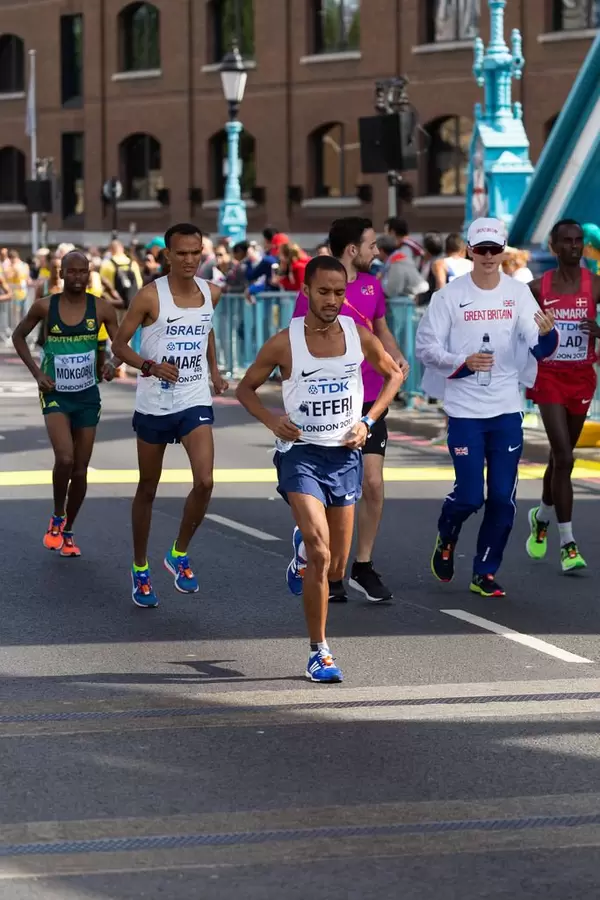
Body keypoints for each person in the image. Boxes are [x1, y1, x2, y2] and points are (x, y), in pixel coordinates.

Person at [236, 256, 403, 682]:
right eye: (324, 291)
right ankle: (319, 651)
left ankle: (302, 553)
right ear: (306, 290)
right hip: (301, 455)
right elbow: (245, 389)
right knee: (320, 550)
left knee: (336, 569)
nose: (332, 300)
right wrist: (273, 421)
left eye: (339, 292)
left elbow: (394, 375)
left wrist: (368, 422)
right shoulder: (285, 343)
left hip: (343, 456)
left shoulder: (357, 335)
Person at [416, 217, 559, 598]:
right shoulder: (448, 296)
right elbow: (425, 348)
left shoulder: (517, 293)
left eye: (496, 249)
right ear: (469, 250)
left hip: (506, 408)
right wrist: (462, 363)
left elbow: (539, 346)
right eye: (482, 249)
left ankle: (485, 571)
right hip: (464, 410)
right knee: (469, 496)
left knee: (501, 497)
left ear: (503, 250)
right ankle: (447, 533)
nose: (489, 256)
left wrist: (548, 334)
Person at [291, 217, 409, 603]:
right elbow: (297, 342)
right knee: (333, 490)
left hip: (370, 399)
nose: (377, 251)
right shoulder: (317, 289)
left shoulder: (373, 285)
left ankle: (363, 564)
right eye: (371, 245)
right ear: (353, 249)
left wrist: (394, 354)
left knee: (372, 482)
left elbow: (380, 327)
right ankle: (327, 562)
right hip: (329, 405)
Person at [111, 223, 229, 609]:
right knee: (148, 487)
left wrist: (214, 371)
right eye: (182, 253)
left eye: (196, 252)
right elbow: (119, 345)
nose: (190, 260)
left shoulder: (211, 292)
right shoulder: (150, 296)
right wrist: (149, 366)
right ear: (168, 255)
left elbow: (205, 330)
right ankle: (140, 567)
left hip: (193, 397)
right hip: (155, 404)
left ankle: (178, 554)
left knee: (205, 481)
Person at [12, 251, 120, 556]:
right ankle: (58, 515)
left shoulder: (102, 308)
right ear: (61, 274)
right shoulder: (45, 306)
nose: (77, 277)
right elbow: (19, 337)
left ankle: (69, 529)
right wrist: (37, 373)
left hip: (87, 395)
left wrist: (112, 364)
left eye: (82, 271)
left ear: (89, 273)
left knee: (81, 471)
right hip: (56, 393)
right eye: (71, 271)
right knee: (65, 458)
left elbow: (121, 344)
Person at [525, 219, 600, 572]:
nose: (573, 246)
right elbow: (516, 328)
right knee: (565, 456)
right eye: (566, 241)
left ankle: (541, 516)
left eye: (578, 240)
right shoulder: (537, 287)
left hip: (582, 378)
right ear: (554, 247)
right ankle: (568, 544)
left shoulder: (594, 285)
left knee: (560, 459)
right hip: (549, 377)